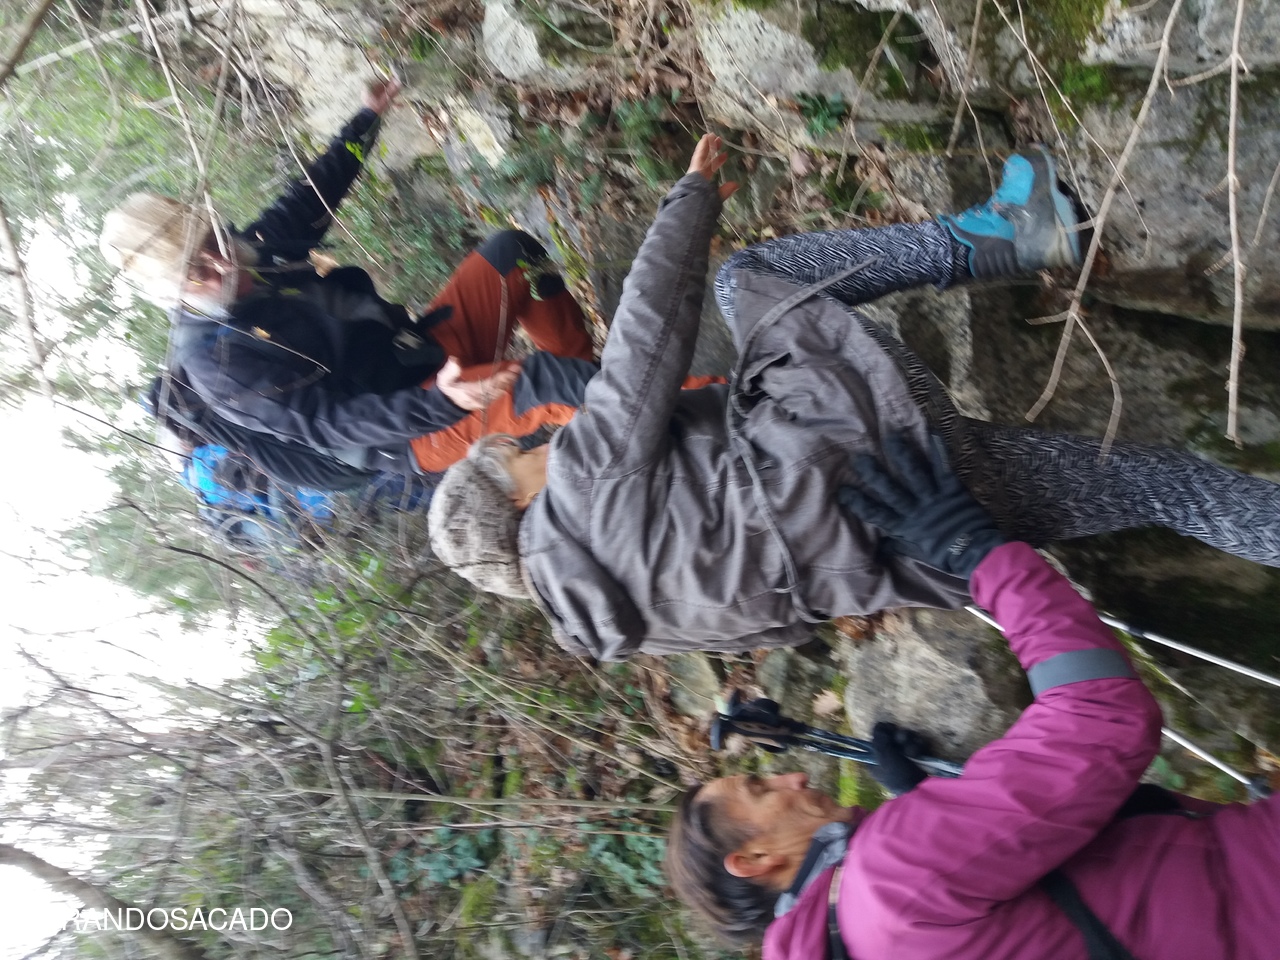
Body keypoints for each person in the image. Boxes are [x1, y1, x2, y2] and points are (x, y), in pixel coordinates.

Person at [426, 133, 1280, 660]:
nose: (536, 444)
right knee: (747, 279)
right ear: (515, 495)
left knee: (1162, 488)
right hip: (856, 440)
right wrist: (690, 201)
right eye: (518, 454)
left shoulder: (626, 628)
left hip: (928, 542)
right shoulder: (578, 490)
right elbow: (647, 343)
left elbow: (784, 619)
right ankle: (1006, 233)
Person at [664, 442, 1278, 960]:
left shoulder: (861, 935)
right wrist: (981, 556)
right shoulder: (890, 878)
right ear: (754, 858)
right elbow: (1100, 720)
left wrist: (914, 799)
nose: (793, 776)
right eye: (762, 789)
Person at [99, 76, 598, 478]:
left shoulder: (257, 255)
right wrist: (441, 402)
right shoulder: (217, 364)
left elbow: (314, 195)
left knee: (515, 255)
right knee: (547, 382)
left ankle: (590, 387)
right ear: (172, 292)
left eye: (213, 241)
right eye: (198, 271)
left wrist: (366, 120)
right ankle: (620, 406)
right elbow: (328, 423)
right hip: (412, 427)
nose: (223, 265)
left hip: (420, 351)